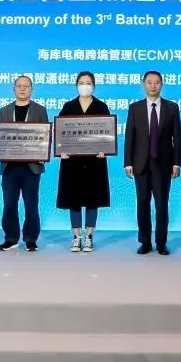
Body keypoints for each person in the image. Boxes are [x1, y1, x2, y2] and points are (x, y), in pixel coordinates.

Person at [124, 70, 181, 255]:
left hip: (163, 164)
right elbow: (129, 137)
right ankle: (145, 242)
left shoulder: (172, 108)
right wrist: (128, 163)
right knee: (142, 203)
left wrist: (176, 163)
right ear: (144, 85)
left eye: (157, 82)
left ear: (162, 85)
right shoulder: (135, 108)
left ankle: (161, 243)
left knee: (162, 204)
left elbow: (177, 138)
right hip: (140, 163)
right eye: (149, 82)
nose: (153, 85)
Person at [57, 71, 111, 252]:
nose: (85, 85)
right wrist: (61, 151)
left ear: (93, 85)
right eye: (81, 82)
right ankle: (76, 237)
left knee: (92, 199)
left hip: (95, 161)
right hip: (72, 162)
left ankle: (89, 237)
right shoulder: (68, 106)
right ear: (76, 85)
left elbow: (107, 134)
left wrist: (106, 148)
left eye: (88, 82)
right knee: (73, 199)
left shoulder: (101, 106)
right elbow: (60, 133)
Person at [0, 75, 48, 252]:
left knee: (31, 204)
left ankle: (31, 239)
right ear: (14, 89)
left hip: (31, 166)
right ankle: (11, 238)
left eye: (26, 86)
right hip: (9, 166)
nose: (23, 89)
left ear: (32, 89)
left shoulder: (40, 110)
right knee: (9, 204)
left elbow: (45, 136)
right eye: (19, 86)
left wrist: (43, 153)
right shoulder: (4, 111)